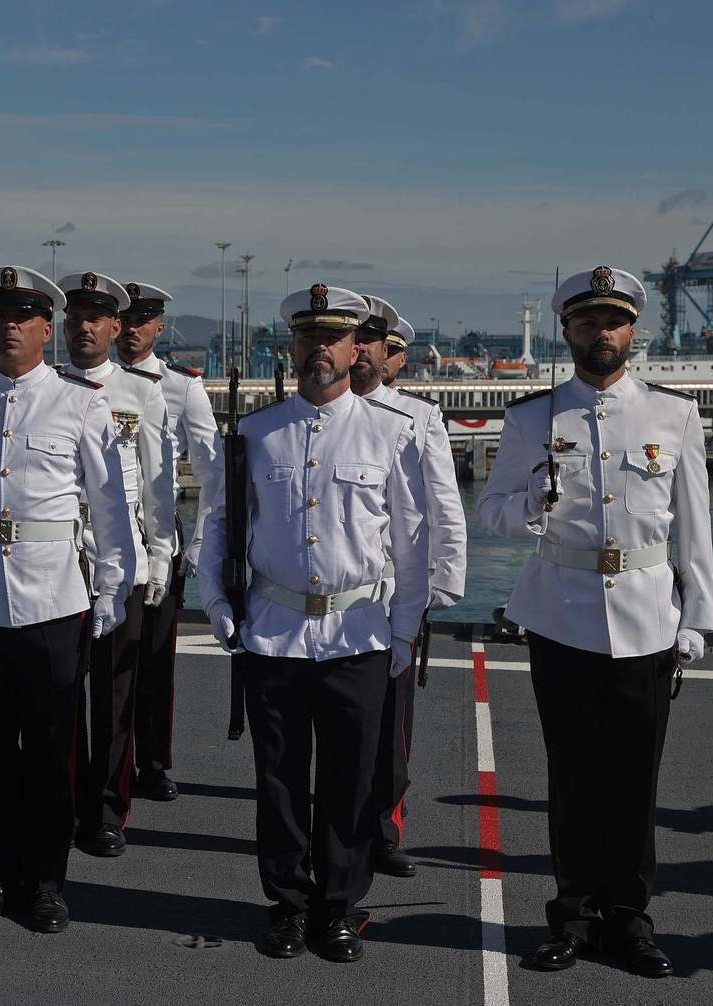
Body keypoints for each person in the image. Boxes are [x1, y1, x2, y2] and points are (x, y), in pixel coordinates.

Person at [477, 266, 713, 979]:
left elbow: (696, 532)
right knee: (573, 779)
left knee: (635, 783)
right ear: (567, 331)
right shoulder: (531, 418)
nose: (601, 334)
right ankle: (573, 919)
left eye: (613, 322)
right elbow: (490, 512)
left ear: (632, 332)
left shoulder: (673, 416)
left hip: (647, 620)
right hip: (562, 618)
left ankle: (631, 921)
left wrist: (696, 621)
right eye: (588, 323)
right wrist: (532, 508)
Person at [199, 283, 429, 963]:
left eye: (333, 338)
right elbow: (218, 527)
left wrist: (407, 631)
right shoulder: (254, 434)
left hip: (360, 633)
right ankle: (288, 905)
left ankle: (340, 906)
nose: (319, 350)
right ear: (291, 347)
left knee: (351, 781)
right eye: (307, 338)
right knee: (278, 780)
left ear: (360, 347)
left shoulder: (393, 433)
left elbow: (412, 545)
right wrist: (215, 603)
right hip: (275, 631)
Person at [0, 264, 135, 934]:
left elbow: (109, 511)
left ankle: (42, 884)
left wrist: (111, 592)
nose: (8, 329)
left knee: (48, 754)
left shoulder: (81, 404)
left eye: (22, 319)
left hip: (51, 603)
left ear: (48, 328)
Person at [58, 271, 174, 857]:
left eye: (94, 317)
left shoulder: (140, 393)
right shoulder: (45, 388)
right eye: (74, 316)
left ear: (115, 326)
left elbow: (159, 485)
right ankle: (59, 802)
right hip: (54, 561)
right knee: (56, 693)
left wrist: (158, 557)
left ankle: (104, 809)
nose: (83, 326)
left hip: (119, 559)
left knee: (113, 694)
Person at [351, 297, 467, 878]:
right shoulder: (321, 412)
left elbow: (444, 504)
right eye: (359, 337)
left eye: (377, 340)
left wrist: (444, 581)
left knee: (394, 722)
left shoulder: (417, 418)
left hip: (398, 589)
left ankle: (386, 827)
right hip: (342, 594)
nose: (366, 349)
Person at [115, 281, 223, 802]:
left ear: (159, 328)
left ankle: (153, 761)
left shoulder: (182, 387)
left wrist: (200, 542)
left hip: (157, 538)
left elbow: (213, 475)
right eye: (125, 319)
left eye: (143, 321)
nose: (131, 329)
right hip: (95, 541)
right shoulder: (83, 383)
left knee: (154, 661)